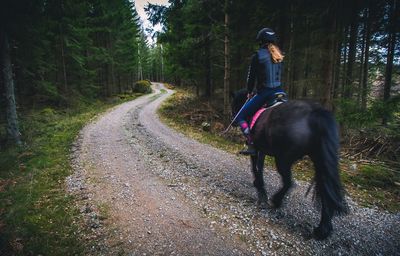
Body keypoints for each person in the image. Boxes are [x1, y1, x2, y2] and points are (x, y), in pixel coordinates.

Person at [236, 27, 286, 155]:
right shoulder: (280, 56)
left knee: (240, 116)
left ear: (261, 41)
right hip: (281, 93)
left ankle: (251, 142)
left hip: (265, 93)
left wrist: (249, 91)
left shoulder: (257, 56)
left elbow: (251, 79)